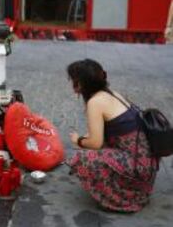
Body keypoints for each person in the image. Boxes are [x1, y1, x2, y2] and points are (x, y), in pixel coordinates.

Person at [66, 59, 158, 212]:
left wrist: (79, 140)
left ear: (83, 85)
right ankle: (132, 190)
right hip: (146, 164)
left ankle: (119, 199)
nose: (74, 87)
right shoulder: (112, 93)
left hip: (137, 168)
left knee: (82, 159)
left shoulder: (95, 102)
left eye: (75, 82)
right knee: (95, 147)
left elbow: (95, 143)